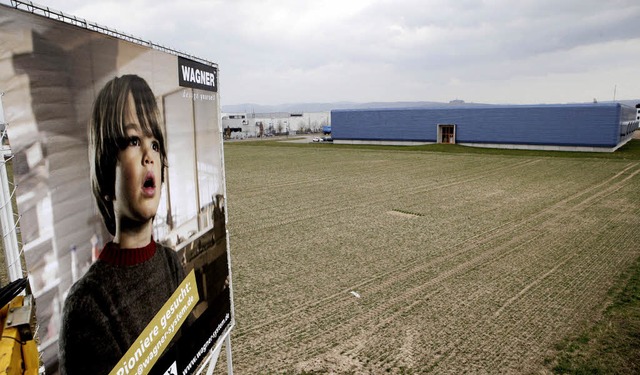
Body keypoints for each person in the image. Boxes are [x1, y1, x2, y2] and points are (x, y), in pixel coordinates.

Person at [59, 75, 185, 375]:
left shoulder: (169, 261)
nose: (149, 157)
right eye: (132, 141)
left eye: (155, 143)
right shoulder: (87, 305)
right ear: (104, 177)